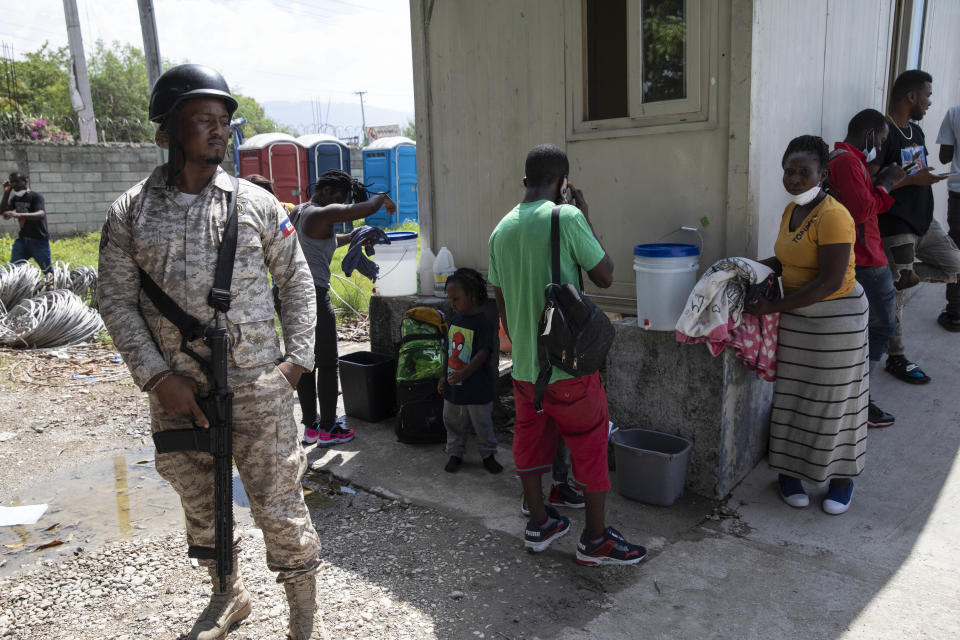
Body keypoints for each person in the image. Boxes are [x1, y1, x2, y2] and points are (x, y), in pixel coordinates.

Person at [97, 64, 326, 640]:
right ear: (169, 131)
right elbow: (117, 302)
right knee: (200, 501)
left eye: (224, 120)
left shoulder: (257, 204)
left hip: (258, 386)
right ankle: (228, 595)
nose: (218, 131)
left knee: (280, 503)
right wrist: (154, 376)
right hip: (178, 392)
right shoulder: (130, 212)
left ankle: (304, 619)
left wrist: (295, 365)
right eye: (203, 120)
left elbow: (297, 283)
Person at [488, 143, 646, 566]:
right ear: (563, 184)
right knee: (591, 443)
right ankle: (595, 539)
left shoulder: (500, 231)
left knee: (529, 439)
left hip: (524, 369)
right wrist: (585, 215)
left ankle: (539, 522)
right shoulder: (567, 216)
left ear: (525, 181)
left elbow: (501, 304)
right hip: (569, 368)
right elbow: (605, 276)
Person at [746, 135, 868, 516]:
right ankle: (789, 473)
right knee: (794, 398)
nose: (794, 179)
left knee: (834, 403)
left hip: (836, 320)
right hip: (798, 318)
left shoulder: (834, 215)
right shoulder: (791, 211)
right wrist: (746, 269)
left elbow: (830, 280)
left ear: (823, 173)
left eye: (804, 172)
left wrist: (773, 306)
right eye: (789, 171)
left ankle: (841, 478)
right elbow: (788, 261)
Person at [284, 169, 396, 446]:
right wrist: (382, 197)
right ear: (326, 191)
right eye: (339, 197)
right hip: (312, 295)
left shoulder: (299, 212)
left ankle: (310, 428)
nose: (340, 202)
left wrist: (355, 236)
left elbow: (326, 240)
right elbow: (366, 207)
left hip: (287, 295)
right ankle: (328, 428)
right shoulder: (321, 213)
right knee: (327, 362)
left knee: (303, 360)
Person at [874, 70, 959, 383]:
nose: (930, 101)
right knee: (896, 300)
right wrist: (913, 179)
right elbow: (871, 184)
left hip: (926, 223)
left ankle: (905, 275)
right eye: (927, 95)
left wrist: (923, 176)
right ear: (911, 96)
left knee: (955, 267)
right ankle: (896, 357)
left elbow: (912, 171)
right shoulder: (883, 131)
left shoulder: (916, 132)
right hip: (897, 226)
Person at [827, 109, 904, 428]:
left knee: (871, 326)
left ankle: (858, 395)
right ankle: (860, 397)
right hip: (865, 258)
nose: (882, 146)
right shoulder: (844, 160)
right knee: (883, 324)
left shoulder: (849, 159)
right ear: (870, 134)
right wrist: (886, 185)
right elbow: (860, 211)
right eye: (882, 139)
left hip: (865, 254)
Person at [438, 267, 503, 474]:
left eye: (456, 299)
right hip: (454, 386)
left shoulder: (483, 323)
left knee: (482, 423)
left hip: (477, 388)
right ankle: (455, 453)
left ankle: (488, 454)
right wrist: (442, 376)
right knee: (453, 421)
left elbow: (484, 353)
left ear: (472, 296)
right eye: (451, 300)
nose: (452, 304)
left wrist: (465, 373)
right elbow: (448, 351)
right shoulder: (455, 320)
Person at [936, 102, 960, 331]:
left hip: (959, 192)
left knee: (958, 248)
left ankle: (955, 313)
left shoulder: (954, 112)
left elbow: (944, 157)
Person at [1, 171, 52, 274]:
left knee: (48, 272)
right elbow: (2, 212)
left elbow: (40, 214)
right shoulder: (16, 198)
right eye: (12, 182)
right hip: (22, 241)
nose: (14, 185)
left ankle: (57, 288)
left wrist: (18, 215)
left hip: (39, 240)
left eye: (17, 182)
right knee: (14, 270)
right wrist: (6, 192)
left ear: (25, 182)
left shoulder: (35, 196)